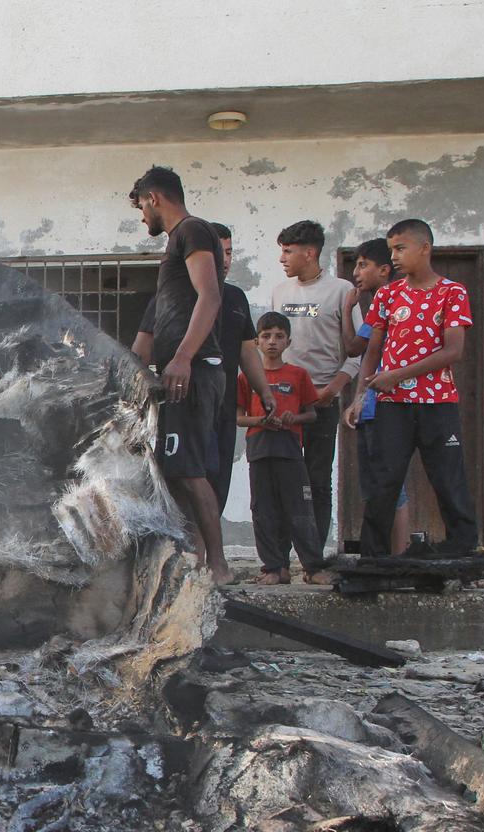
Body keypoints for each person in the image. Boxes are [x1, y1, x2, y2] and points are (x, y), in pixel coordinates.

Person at [129, 165, 270, 584]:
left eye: (141, 208)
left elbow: (210, 297)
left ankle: (219, 567)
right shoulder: (179, 242)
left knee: (190, 472)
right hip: (180, 374)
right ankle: (191, 562)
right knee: (177, 472)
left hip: (195, 372)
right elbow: (145, 340)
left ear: (154, 198)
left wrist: (184, 357)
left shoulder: (193, 230)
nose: (142, 219)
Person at [343, 219, 478, 556]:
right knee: (383, 482)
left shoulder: (452, 292)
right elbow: (372, 351)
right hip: (391, 403)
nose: (396, 257)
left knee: (448, 480)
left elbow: (454, 350)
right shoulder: (388, 294)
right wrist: (361, 396)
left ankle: (462, 553)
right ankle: (374, 558)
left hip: (437, 402)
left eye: (401, 248)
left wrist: (399, 374)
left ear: (425, 248)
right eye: (392, 250)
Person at [131, 223, 270, 514]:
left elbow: (247, 351)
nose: (226, 260)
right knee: (186, 479)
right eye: (220, 253)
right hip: (184, 401)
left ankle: (207, 557)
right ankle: (198, 556)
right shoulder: (169, 298)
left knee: (216, 479)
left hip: (222, 405)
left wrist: (264, 391)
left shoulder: (235, 298)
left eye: (230, 253)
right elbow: (140, 351)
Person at [271, 220, 362, 556]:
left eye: (288, 251)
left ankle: (314, 556)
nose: (282, 259)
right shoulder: (281, 292)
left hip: (323, 401)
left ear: (309, 253)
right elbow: (272, 345)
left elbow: (357, 352)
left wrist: (332, 389)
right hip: (283, 402)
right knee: (281, 481)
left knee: (318, 481)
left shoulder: (342, 291)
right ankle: (278, 559)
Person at [238, 313, 334, 584]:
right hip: (259, 449)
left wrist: (294, 418)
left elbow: (312, 414)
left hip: (290, 449)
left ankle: (313, 568)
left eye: (279, 336)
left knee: (300, 508)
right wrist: (259, 420)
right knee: (263, 509)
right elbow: (237, 417)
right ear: (256, 341)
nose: (272, 342)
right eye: (266, 336)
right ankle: (273, 568)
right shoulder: (247, 378)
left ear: (288, 342)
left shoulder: (298, 375)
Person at [347, 238, 412, 555]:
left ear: (384, 270)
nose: (356, 272)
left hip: (392, 404)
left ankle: (398, 555)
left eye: (363, 265)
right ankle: (384, 555)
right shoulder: (375, 306)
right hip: (371, 405)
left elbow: (357, 350)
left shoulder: (397, 303)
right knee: (375, 486)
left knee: (392, 485)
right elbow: (358, 350)